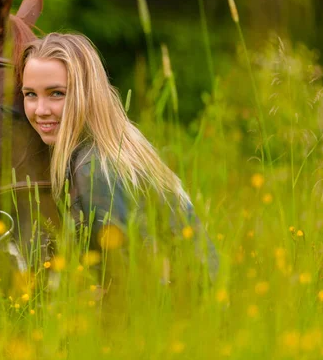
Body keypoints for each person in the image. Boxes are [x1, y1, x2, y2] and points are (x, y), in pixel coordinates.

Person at [18, 32, 218, 292]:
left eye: (56, 93)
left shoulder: (94, 166)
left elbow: (126, 275)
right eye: (30, 94)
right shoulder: (109, 147)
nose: (40, 109)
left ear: (86, 94)